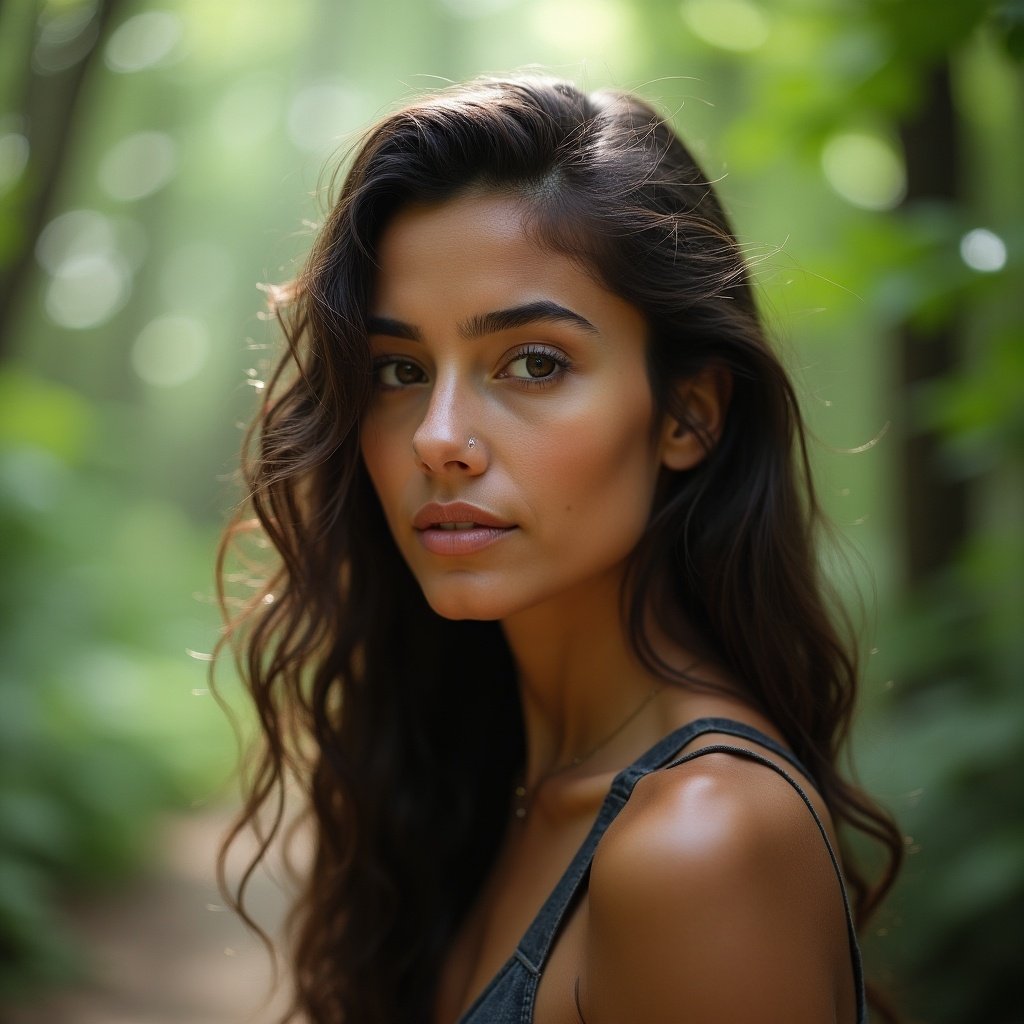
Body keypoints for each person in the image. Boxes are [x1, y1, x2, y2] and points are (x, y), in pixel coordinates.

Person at [216, 76, 903, 1024]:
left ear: (687, 414)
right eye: (399, 371)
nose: (437, 436)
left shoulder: (705, 842)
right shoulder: (478, 779)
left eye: (533, 362)